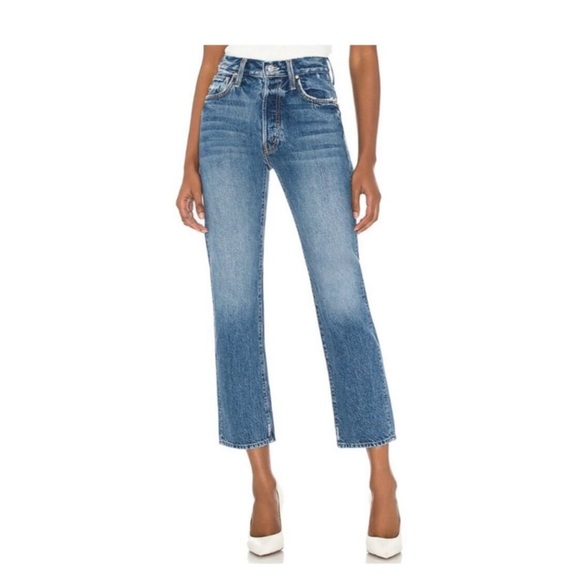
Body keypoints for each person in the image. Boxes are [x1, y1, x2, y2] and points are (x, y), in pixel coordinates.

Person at [176, 45, 401, 559]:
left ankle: (382, 479)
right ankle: (262, 484)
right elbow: (211, 53)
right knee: (234, 307)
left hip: (310, 98)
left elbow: (363, 51)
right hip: (227, 103)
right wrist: (188, 160)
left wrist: (367, 159)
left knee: (343, 302)